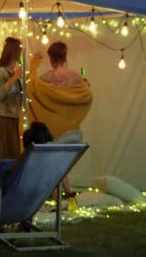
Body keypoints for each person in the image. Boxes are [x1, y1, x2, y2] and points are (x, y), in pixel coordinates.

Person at [27, 41, 93, 201]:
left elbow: (31, 86)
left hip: (53, 131)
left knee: (51, 164)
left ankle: (58, 198)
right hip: (71, 132)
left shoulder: (48, 77)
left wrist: (34, 63)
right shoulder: (75, 75)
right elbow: (87, 95)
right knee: (61, 165)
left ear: (51, 58)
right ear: (65, 56)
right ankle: (69, 196)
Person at [0, 37, 23, 163]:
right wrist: (14, 78)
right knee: (4, 155)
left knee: (14, 155)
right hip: (2, 118)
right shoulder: (0, 72)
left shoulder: (12, 72)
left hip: (13, 118)